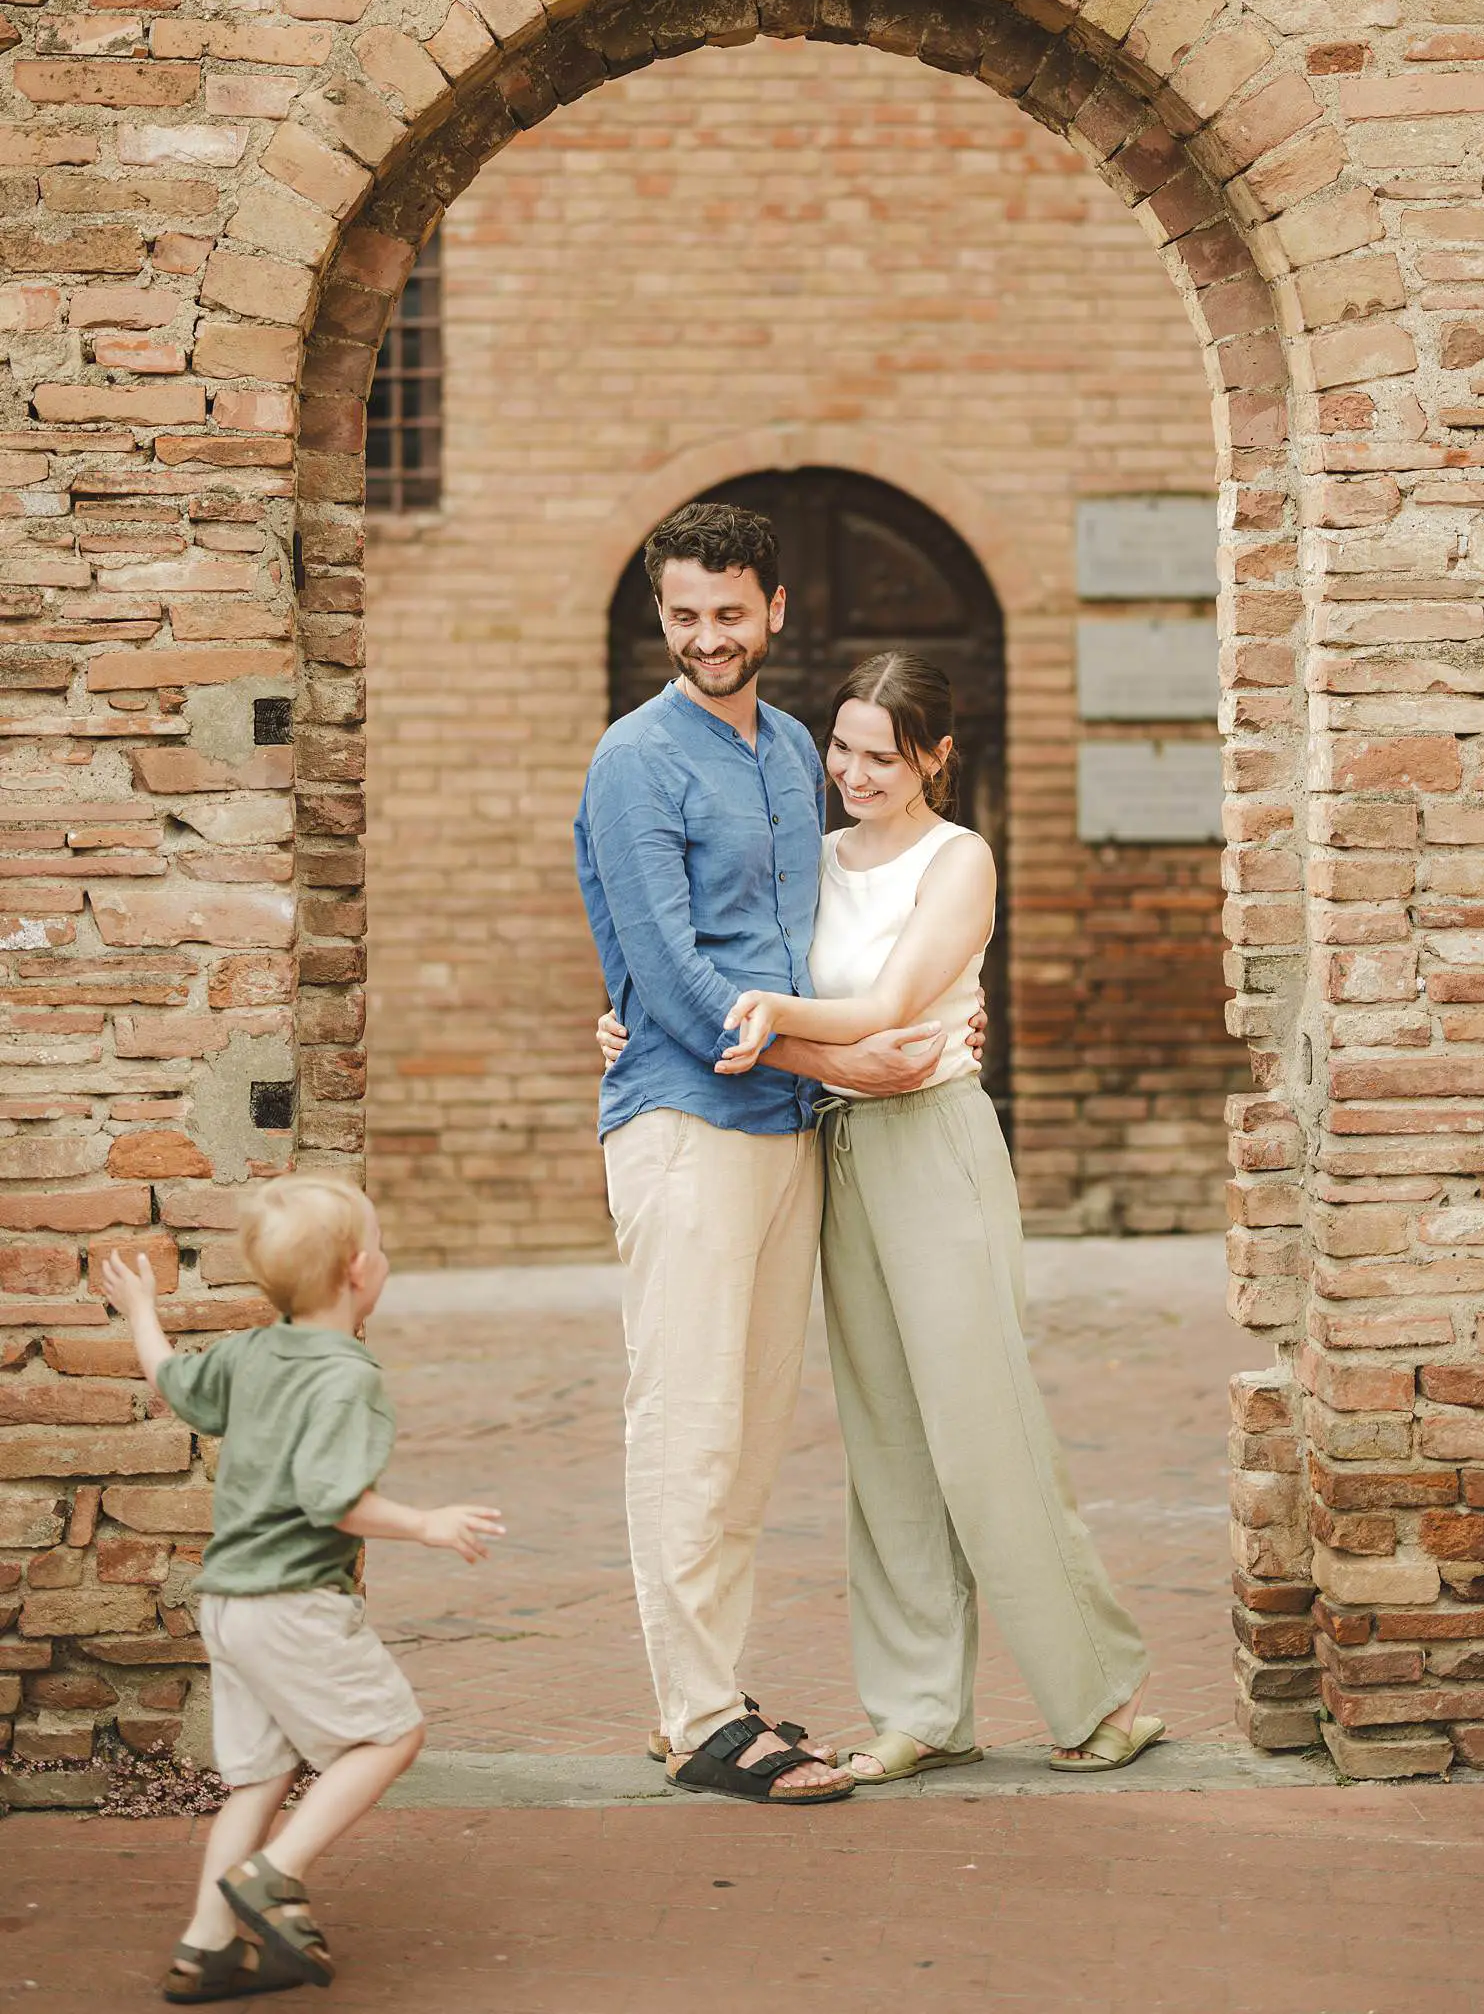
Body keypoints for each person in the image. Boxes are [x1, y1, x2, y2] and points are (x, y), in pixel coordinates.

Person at [573, 502, 982, 1806]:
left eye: (729, 613)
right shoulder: (636, 760)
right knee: (686, 1421)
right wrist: (834, 1060)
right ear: (663, 615)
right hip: (686, 1127)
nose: (707, 637)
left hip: (783, 1132)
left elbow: (809, 939)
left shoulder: (795, 744)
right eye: (684, 615)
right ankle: (699, 1721)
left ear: (777, 610)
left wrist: (926, 1008)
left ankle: (703, 1690)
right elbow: (681, 976)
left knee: (748, 1433)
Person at [717, 650, 1162, 1779]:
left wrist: (770, 1018)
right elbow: (849, 1038)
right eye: (843, 746)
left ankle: (1100, 1696)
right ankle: (921, 1710)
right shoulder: (808, 864)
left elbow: (893, 1009)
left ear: (935, 757)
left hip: (942, 1150)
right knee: (887, 1443)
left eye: (884, 754)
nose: (855, 772)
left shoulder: (960, 860)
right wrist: (799, 1046)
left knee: (983, 1428)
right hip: (843, 1147)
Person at [101, 1175, 505, 2001]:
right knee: (390, 1737)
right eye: (381, 1246)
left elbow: (173, 1384)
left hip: (228, 1606)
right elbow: (335, 1499)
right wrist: (427, 1523)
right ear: (361, 1272)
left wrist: (142, 1311)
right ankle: (273, 1874)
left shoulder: (251, 1353)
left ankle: (206, 1948)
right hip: (291, 1604)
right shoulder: (347, 1376)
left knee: (260, 1776)